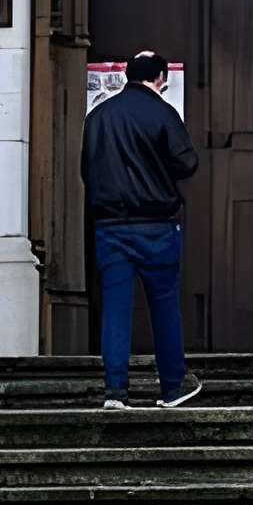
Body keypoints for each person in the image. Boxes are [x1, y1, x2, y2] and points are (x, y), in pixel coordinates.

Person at [82, 49, 201, 409]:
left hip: (110, 227)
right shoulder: (163, 112)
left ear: (126, 76)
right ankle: (173, 386)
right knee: (164, 305)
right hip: (157, 226)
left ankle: (115, 391)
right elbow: (187, 164)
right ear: (161, 77)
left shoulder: (98, 116)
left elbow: (87, 170)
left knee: (115, 308)